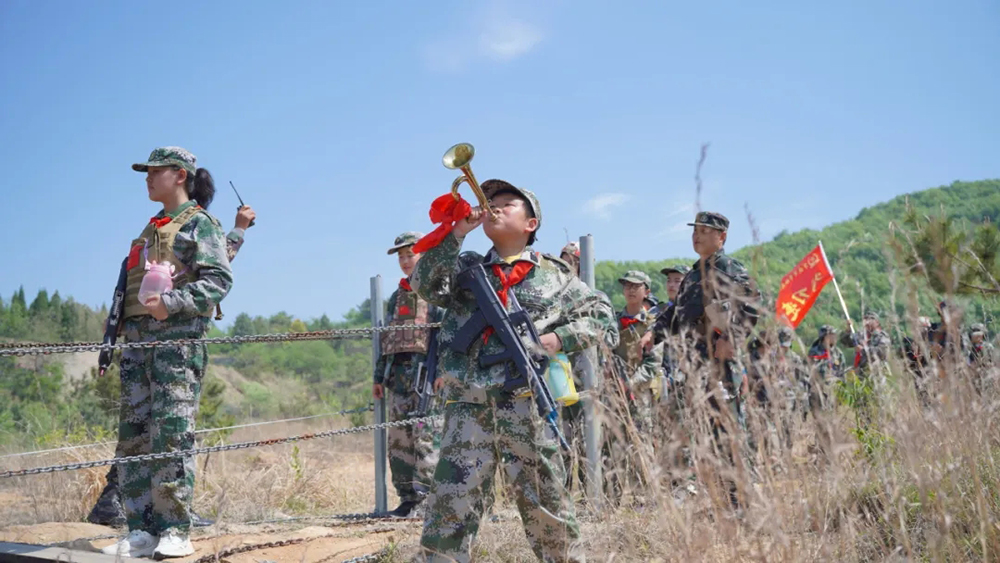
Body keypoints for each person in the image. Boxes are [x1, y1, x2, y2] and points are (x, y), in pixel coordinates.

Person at [412, 179, 617, 563]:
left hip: (525, 406)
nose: (494, 207)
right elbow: (424, 284)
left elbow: (603, 317)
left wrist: (557, 339)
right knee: (450, 507)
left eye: (507, 204)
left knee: (547, 506)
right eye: (490, 202)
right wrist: (457, 232)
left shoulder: (556, 277)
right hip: (469, 406)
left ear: (531, 223)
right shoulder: (464, 270)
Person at [100, 147, 233, 559]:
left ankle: (176, 528)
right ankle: (140, 529)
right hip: (137, 342)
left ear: (179, 175)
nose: (147, 178)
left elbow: (219, 280)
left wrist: (171, 304)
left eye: (154, 171)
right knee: (134, 438)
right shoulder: (149, 229)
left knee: (172, 435)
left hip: (175, 343)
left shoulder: (200, 225)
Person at [88, 205, 256, 529]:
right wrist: (240, 230)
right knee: (162, 431)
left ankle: (126, 507)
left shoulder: (150, 233)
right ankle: (157, 517)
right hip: (164, 337)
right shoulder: (183, 230)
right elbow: (222, 260)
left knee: (144, 429)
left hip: (140, 337)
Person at [653, 211, 761, 510]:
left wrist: (733, 337)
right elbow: (676, 314)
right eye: (695, 230)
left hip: (721, 367)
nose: (696, 235)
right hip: (695, 367)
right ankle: (721, 502)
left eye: (705, 230)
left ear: (722, 237)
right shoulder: (693, 274)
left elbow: (751, 304)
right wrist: (653, 335)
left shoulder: (728, 267)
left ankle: (740, 505)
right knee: (706, 436)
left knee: (728, 434)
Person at [373, 232, 445, 518]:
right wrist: (379, 377)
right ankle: (408, 499)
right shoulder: (397, 295)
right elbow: (387, 340)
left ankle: (428, 500)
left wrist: (441, 372)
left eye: (410, 254)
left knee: (426, 441)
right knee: (400, 442)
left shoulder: (437, 292)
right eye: (401, 256)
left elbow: (446, 337)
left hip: (427, 379)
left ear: (424, 255)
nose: (405, 260)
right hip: (399, 380)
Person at [839, 312, 891, 381]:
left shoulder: (882, 336)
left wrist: (863, 350)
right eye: (866, 319)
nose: (867, 322)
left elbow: (882, 352)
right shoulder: (861, 335)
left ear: (877, 322)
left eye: (870, 319)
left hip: (877, 374)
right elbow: (845, 342)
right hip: (861, 373)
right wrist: (848, 330)